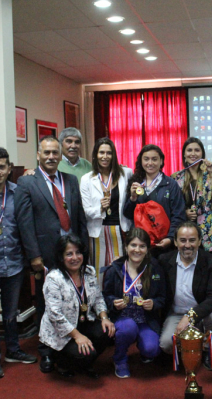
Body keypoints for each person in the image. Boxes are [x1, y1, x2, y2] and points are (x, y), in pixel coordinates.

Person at [14, 135, 88, 374]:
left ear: (60, 155)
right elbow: (24, 223)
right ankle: (46, 351)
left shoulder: (70, 180)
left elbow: (79, 219)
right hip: (45, 255)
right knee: (47, 304)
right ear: (38, 155)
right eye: (46, 153)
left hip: (73, 253)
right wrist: (33, 256)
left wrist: (83, 250)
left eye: (55, 153)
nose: (51, 157)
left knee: (74, 300)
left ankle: (70, 347)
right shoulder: (27, 183)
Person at [0, 147, 37, 380]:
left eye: (2, 166)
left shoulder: (19, 191)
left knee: (12, 313)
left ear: (10, 168)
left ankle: (13, 350)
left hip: (13, 262)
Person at [39, 234, 115, 378]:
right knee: (86, 353)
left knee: (107, 331)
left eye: (78, 252)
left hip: (83, 321)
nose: (75, 257)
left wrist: (104, 317)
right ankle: (62, 362)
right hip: (62, 331)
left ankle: (84, 363)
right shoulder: (53, 278)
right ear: (61, 257)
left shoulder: (88, 272)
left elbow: (98, 298)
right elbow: (55, 315)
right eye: (69, 254)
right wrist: (78, 336)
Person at [102, 227, 166, 378]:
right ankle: (120, 359)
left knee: (152, 349)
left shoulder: (155, 268)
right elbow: (105, 296)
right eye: (133, 245)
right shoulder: (115, 269)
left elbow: (163, 298)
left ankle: (144, 347)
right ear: (126, 247)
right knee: (128, 328)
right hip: (123, 318)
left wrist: (154, 304)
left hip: (145, 319)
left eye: (142, 246)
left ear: (147, 249)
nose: (137, 250)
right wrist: (113, 303)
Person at [158, 221, 212, 369]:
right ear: (175, 242)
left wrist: (190, 316)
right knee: (166, 344)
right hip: (176, 314)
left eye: (192, 240)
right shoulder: (164, 261)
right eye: (183, 240)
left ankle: (208, 351)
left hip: (203, 314)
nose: (187, 245)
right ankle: (188, 351)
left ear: (200, 241)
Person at [80, 137, 133, 282]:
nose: (105, 156)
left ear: (113, 155)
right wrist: (100, 208)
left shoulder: (125, 173)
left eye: (108, 153)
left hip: (120, 230)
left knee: (121, 268)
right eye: (101, 152)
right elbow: (85, 211)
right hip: (98, 231)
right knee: (98, 272)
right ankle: (99, 302)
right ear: (95, 155)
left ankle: (120, 300)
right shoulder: (86, 179)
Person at [123, 144, 186, 256]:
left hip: (163, 244)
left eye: (154, 159)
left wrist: (171, 238)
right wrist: (132, 198)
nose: (150, 163)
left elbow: (178, 214)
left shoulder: (171, 185)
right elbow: (127, 215)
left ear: (161, 161)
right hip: (140, 244)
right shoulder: (135, 183)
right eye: (146, 159)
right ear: (141, 161)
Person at [171, 137, 212, 259]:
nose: (193, 153)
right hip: (185, 232)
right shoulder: (176, 177)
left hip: (210, 232)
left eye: (197, 150)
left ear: (202, 153)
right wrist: (184, 212)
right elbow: (172, 206)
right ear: (184, 154)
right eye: (189, 150)